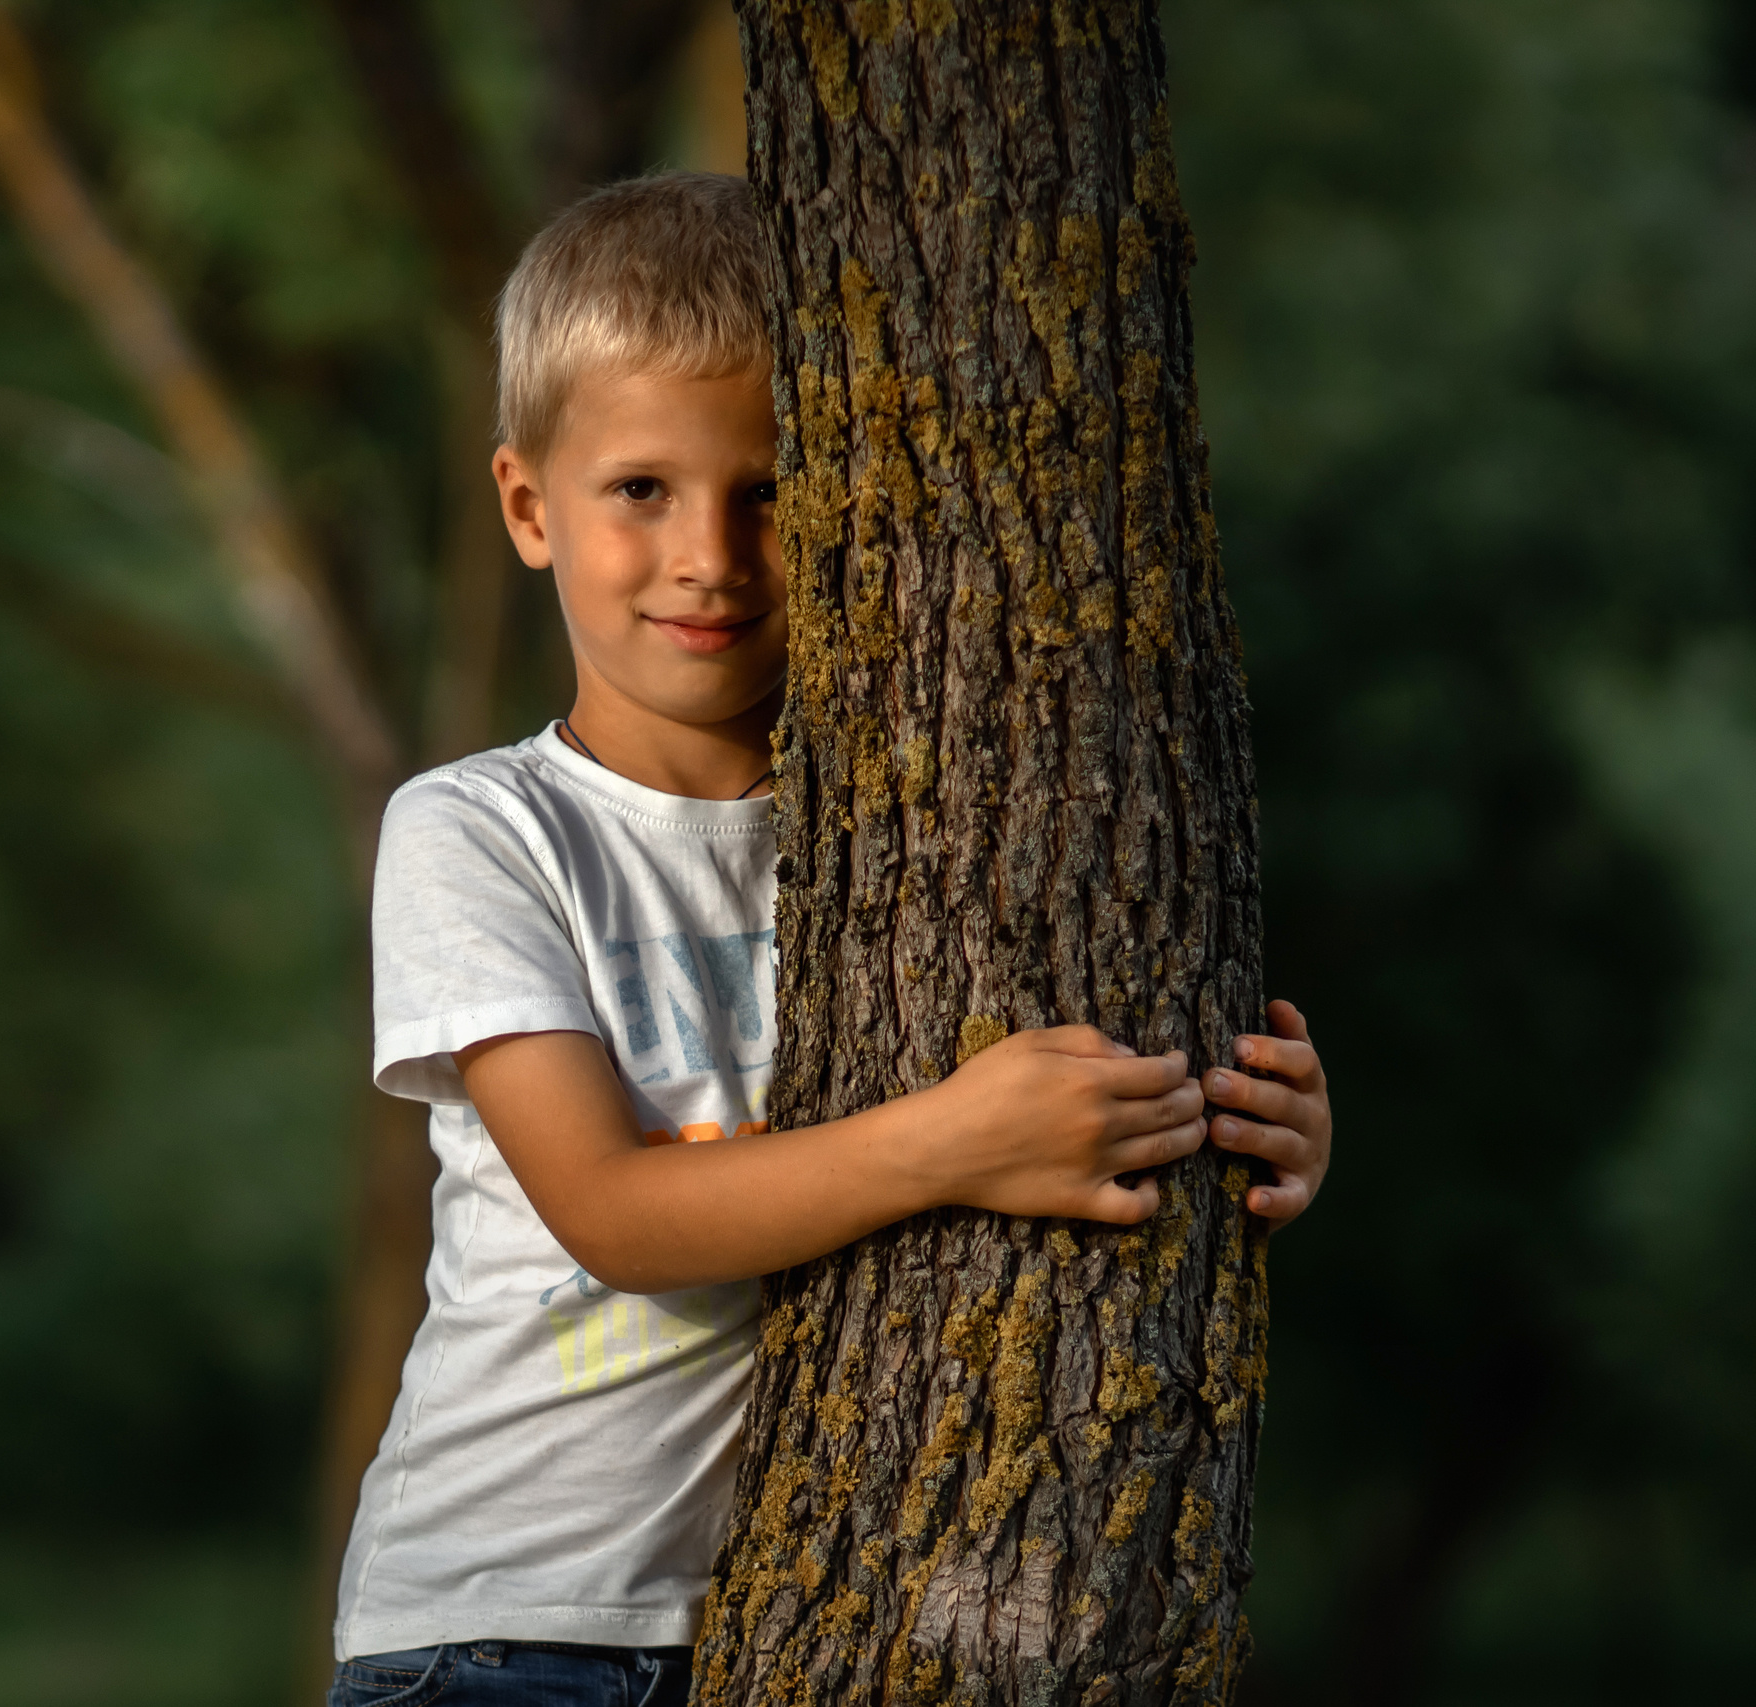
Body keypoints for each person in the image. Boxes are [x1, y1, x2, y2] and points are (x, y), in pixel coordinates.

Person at [330, 171, 1333, 1707]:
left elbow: (1072, 1125)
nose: (713, 556)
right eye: (641, 489)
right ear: (530, 508)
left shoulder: (913, 830)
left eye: (772, 489)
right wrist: (955, 1142)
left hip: (783, 1626)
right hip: (504, 1626)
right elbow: (612, 1212)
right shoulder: (482, 831)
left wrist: (1246, 1134)